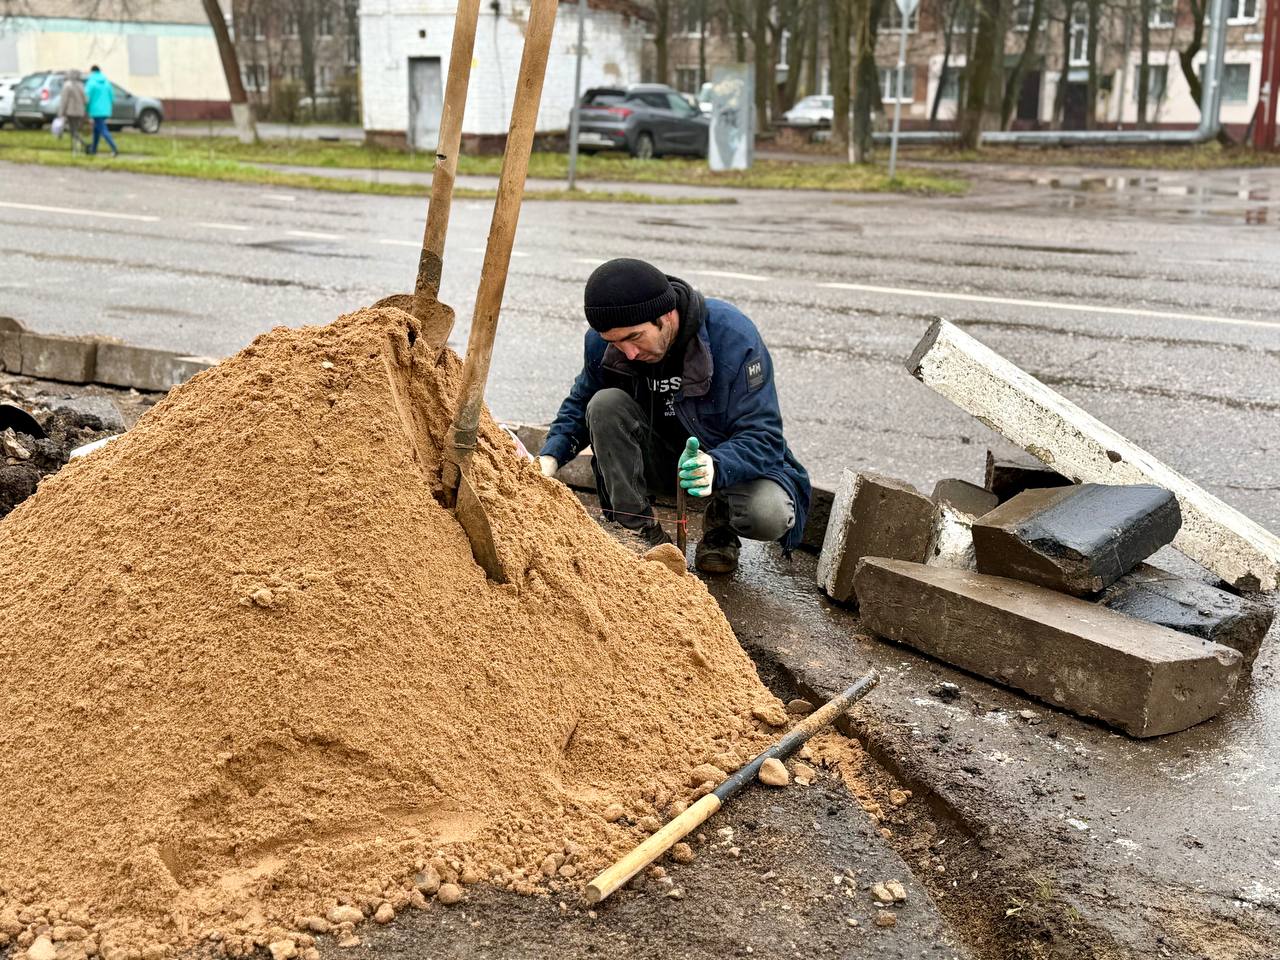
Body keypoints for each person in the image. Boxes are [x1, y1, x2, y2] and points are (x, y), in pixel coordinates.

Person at [539, 258, 811, 575]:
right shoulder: (606, 345)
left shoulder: (732, 337)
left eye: (635, 337)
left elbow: (764, 437)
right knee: (604, 404)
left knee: (768, 513)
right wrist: (551, 454)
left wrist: (716, 466)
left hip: (718, 463)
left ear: (666, 317)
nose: (628, 353)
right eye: (614, 342)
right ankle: (641, 535)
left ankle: (720, 528)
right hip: (658, 458)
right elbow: (581, 401)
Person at [84, 65, 118, 158]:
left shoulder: (91, 83)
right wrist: (108, 107)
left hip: (95, 111)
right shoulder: (106, 82)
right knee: (97, 130)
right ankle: (94, 150)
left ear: (92, 72)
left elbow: (86, 98)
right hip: (106, 110)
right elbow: (112, 96)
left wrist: (86, 109)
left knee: (103, 129)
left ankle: (114, 147)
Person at [58, 69, 88, 155]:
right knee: (77, 130)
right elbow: (86, 100)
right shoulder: (81, 85)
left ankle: (77, 148)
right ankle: (78, 147)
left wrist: (61, 112)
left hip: (71, 112)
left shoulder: (67, 86)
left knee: (73, 131)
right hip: (80, 111)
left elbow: (64, 101)